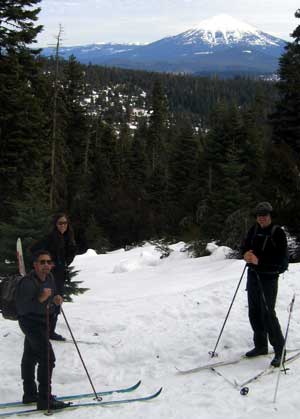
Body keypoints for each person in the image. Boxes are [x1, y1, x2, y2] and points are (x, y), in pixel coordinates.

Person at [16, 250, 70, 410]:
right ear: (35, 265)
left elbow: (49, 301)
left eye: (48, 262)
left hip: (42, 322)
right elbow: (23, 307)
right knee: (48, 358)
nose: (46, 265)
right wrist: (41, 298)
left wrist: (55, 300)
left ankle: (30, 394)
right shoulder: (27, 282)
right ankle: (44, 399)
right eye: (42, 262)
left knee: (30, 357)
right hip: (29, 323)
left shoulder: (50, 278)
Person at [241, 201, 287, 368]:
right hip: (252, 276)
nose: (262, 219)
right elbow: (244, 246)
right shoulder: (253, 230)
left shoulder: (278, 233)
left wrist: (259, 260)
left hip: (269, 277)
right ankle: (261, 346)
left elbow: (280, 257)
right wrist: (245, 253)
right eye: (259, 216)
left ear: (270, 216)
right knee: (254, 312)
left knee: (268, 313)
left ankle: (279, 350)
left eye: (265, 216)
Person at [31, 213, 76, 341]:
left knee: (57, 302)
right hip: (50, 275)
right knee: (49, 302)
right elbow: (34, 249)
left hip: (60, 275)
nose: (62, 225)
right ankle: (43, 330)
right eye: (60, 223)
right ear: (55, 225)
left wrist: (66, 261)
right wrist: (48, 263)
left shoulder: (68, 238)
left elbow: (68, 255)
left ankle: (50, 331)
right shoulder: (50, 238)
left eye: (65, 223)